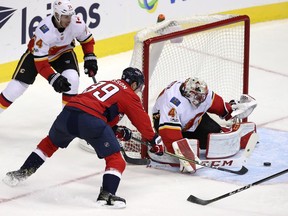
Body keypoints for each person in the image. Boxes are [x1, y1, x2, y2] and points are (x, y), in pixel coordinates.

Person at [2, 67, 164, 209]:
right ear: (134, 84)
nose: (137, 91)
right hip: (90, 120)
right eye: (138, 87)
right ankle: (107, 195)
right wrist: (154, 140)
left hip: (69, 113)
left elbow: (100, 110)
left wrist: (117, 130)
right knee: (116, 160)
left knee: (49, 144)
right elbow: (141, 121)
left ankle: (20, 174)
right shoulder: (129, 93)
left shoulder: (104, 84)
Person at [0, 0, 98, 113]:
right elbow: (41, 62)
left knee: (72, 78)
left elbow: (87, 40)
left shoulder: (76, 23)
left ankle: (67, 119)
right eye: (65, 17)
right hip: (36, 57)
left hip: (63, 52)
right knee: (15, 88)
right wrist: (52, 78)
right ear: (57, 15)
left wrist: (89, 56)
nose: (69, 19)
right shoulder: (44, 30)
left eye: (70, 15)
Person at [149, 77, 257, 172]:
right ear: (189, 94)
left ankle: (227, 133)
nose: (202, 99)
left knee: (213, 135)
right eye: (198, 97)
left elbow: (220, 106)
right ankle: (166, 143)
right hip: (165, 124)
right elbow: (169, 133)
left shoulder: (203, 94)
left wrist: (232, 109)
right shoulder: (172, 102)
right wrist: (182, 155)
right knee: (178, 143)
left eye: (203, 96)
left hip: (192, 122)